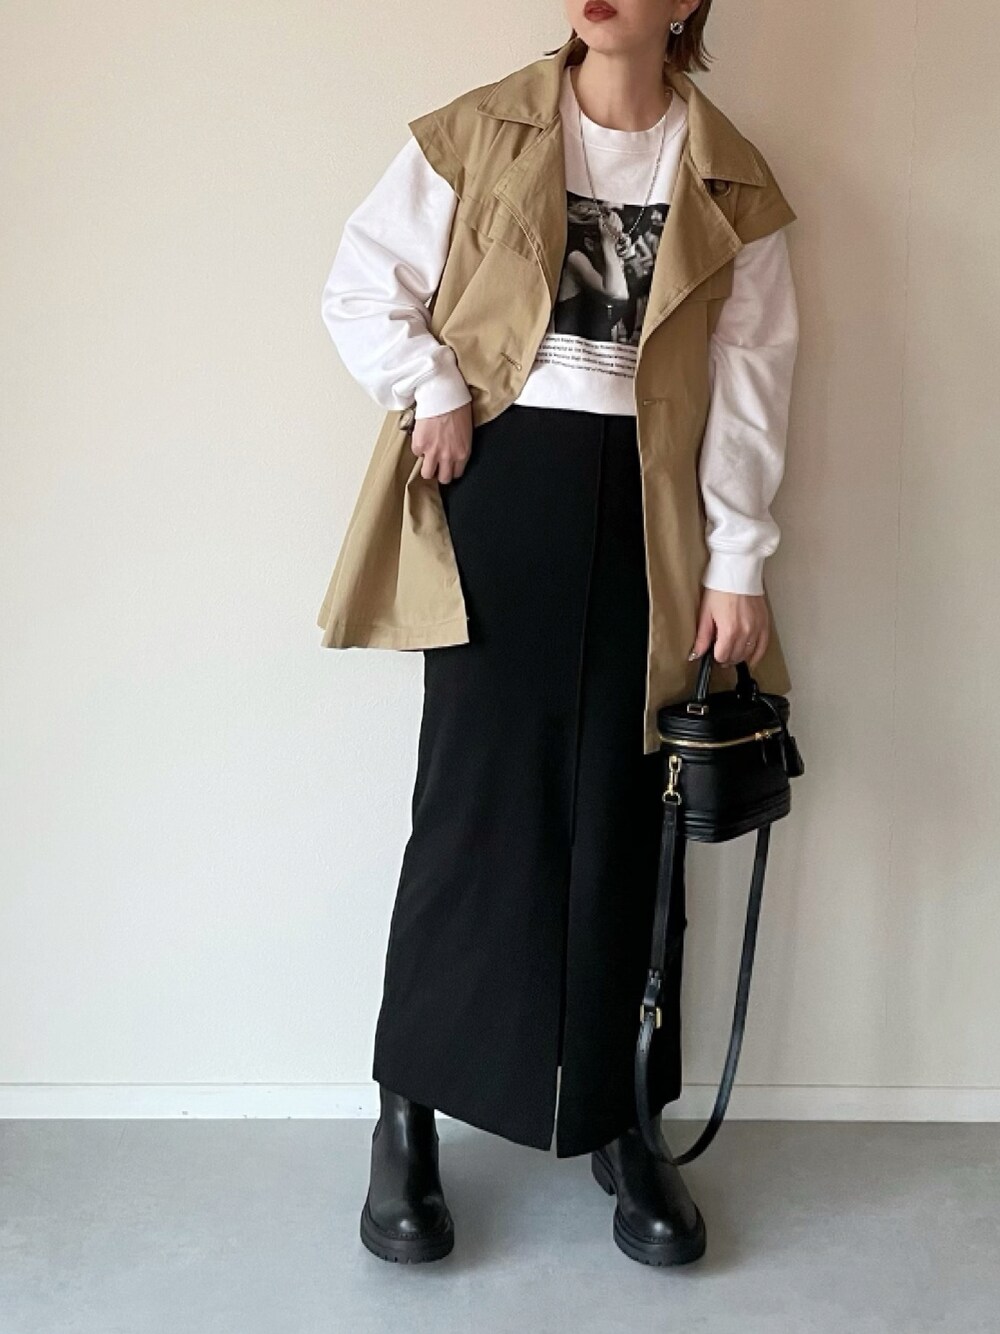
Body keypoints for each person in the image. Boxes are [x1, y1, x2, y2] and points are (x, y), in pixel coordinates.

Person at [318, 2, 799, 1268]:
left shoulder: (730, 176)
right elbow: (361, 285)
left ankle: (620, 1114)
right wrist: (431, 386)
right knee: (472, 807)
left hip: (653, 519)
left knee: (634, 820)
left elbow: (752, 380)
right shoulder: (481, 131)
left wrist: (739, 556)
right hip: (503, 491)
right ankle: (408, 1110)